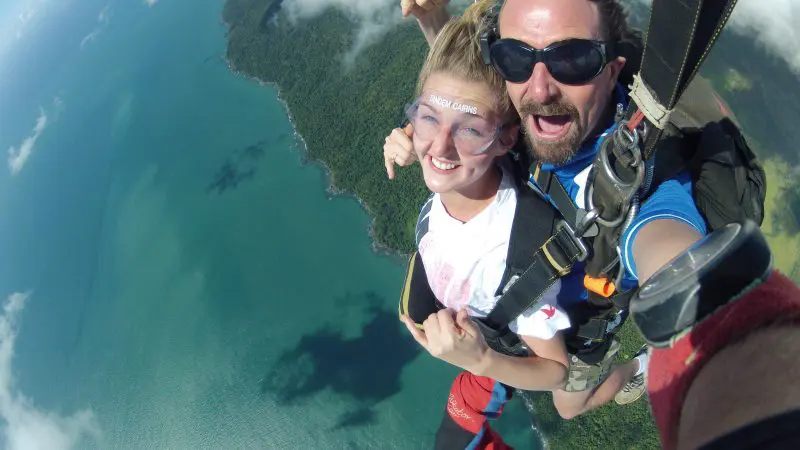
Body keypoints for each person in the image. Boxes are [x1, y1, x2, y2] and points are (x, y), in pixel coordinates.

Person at [386, 0, 708, 426]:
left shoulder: (633, 181)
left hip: (574, 332)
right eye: (518, 58)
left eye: (573, 60)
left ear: (612, 70)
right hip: (512, 312)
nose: (540, 90)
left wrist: (703, 290)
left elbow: (668, 243)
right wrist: (433, 24)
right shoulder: (520, 134)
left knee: (568, 405)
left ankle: (639, 368)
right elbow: (472, 99)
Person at [390, 5, 578, 448]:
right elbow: (460, 100)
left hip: (495, 340)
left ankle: (636, 370)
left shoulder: (508, 254)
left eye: (469, 130)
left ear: (506, 140)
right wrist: (432, 21)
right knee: (412, 316)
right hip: (456, 293)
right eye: (426, 116)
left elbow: (554, 370)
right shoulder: (461, 168)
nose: (440, 145)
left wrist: (481, 359)